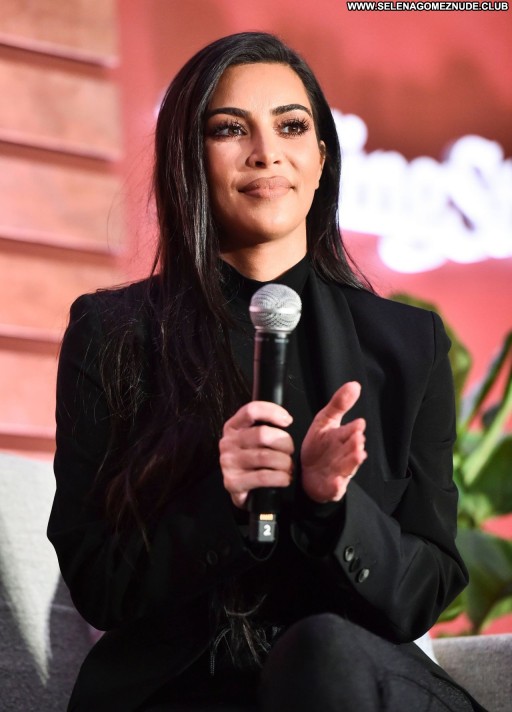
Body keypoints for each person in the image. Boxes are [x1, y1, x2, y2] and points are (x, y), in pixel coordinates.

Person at [48, 31, 486, 712]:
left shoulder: (408, 344)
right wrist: (222, 501)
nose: (266, 152)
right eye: (231, 129)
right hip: (185, 690)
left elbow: (421, 593)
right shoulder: (113, 335)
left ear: (322, 157)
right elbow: (98, 583)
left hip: (352, 680)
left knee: (323, 652)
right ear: (190, 160)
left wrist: (331, 506)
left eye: (291, 126)